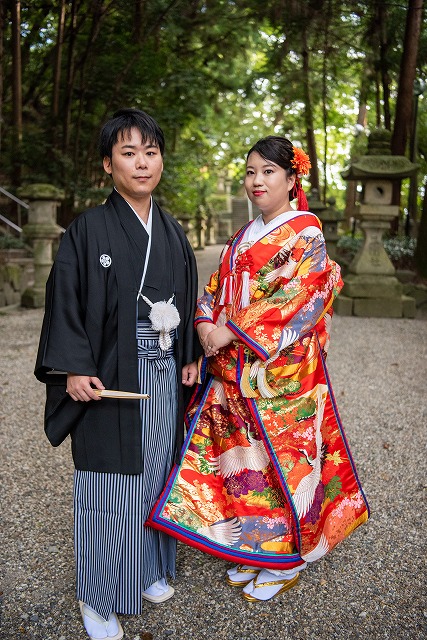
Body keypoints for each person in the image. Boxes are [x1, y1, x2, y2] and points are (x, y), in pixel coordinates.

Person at [147, 135, 370, 602]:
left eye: (268, 171)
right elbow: (214, 288)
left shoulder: (305, 233)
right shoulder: (243, 236)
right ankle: (259, 547)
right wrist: (205, 323)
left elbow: (299, 300)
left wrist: (229, 332)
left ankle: (291, 558)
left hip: (281, 376)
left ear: (292, 179)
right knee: (246, 467)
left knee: (288, 465)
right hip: (233, 373)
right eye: (251, 172)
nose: (257, 181)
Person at [35, 108, 200, 639]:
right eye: (128, 153)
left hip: (161, 376)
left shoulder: (172, 232)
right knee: (108, 489)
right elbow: (64, 301)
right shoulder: (88, 230)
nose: (142, 163)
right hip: (108, 379)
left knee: (155, 478)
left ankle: (148, 569)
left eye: (150, 152)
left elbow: (188, 300)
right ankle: (99, 597)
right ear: (109, 164)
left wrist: (192, 353)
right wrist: (72, 368)